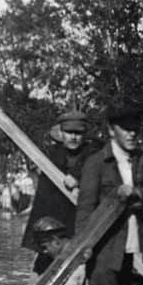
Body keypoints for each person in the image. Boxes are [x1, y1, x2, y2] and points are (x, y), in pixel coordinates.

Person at [75, 106, 143, 285]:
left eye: (136, 129)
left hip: (138, 252)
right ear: (112, 130)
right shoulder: (95, 163)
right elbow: (85, 208)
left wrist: (136, 191)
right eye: (126, 129)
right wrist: (83, 245)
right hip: (106, 252)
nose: (132, 134)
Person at [21, 110, 98, 274]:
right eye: (69, 132)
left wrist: (77, 177)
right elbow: (44, 200)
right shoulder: (52, 156)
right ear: (61, 133)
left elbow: (95, 172)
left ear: (84, 134)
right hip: (53, 220)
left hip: (79, 220)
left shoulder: (93, 153)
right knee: (43, 262)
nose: (73, 137)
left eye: (78, 133)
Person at [29, 216, 92, 285]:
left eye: (44, 247)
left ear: (56, 241)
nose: (44, 251)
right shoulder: (44, 258)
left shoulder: (77, 257)